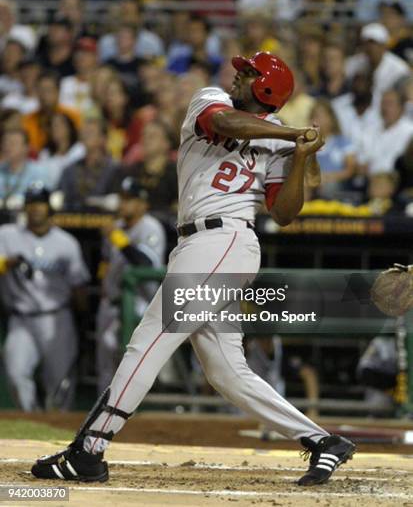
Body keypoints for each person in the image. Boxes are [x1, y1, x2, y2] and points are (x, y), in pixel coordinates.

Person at [31, 51, 355, 486]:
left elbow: (284, 212)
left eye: (250, 73)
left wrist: (298, 154)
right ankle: (322, 441)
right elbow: (226, 125)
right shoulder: (210, 99)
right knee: (226, 371)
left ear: (265, 89)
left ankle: (89, 450)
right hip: (205, 245)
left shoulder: (280, 138)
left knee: (148, 342)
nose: (238, 74)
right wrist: (295, 132)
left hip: (223, 242)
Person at [0, 183, 90, 410]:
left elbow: (78, 285)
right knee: (16, 373)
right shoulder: (7, 235)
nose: (36, 208)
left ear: (49, 208)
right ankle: (32, 420)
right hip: (21, 318)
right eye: (31, 203)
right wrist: (5, 263)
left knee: (60, 384)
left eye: (40, 203)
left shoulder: (66, 242)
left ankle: (60, 432)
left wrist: (82, 320)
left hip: (57, 317)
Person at [96, 176, 166, 394]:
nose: (124, 204)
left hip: (139, 304)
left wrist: (117, 238)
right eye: (123, 198)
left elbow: (146, 265)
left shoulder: (150, 227)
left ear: (143, 204)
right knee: (105, 366)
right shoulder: (116, 227)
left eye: (131, 199)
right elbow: (107, 261)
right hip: (110, 303)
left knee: (133, 368)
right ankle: (101, 417)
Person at [345, 22, 410, 112]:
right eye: (366, 43)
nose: (369, 48)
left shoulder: (399, 68)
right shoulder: (353, 63)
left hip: (388, 111)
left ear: (384, 46)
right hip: (361, 109)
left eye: (374, 43)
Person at [58, 118, 119, 210]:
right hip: (72, 219)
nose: (86, 136)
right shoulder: (69, 170)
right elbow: (59, 198)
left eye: (90, 132)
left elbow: (116, 201)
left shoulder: (114, 169)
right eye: (84, 133)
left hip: (105, 220)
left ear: (103, 139)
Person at [23, 71, 80, 153]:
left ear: (58, 91)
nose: (44, 95)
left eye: (48, 90)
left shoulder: (72, 116)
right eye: (41, 90)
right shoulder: (28, 120)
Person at [310, 99, 356, 199]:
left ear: (331, 119)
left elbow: (350, 170)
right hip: (311, 185)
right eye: (314, 116)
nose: (316, 120)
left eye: (320, 116)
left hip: (335, 185)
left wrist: (327, 177)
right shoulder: (306, 145)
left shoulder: (343, 142)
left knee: (330, 186)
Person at [0, 128, 50, 201]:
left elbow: (42, 201)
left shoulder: (38, 172)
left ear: (26, 148)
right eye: (5, 143)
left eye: (12, 143)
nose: (7, 147)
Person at [59, 36, 100, 119]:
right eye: (78, 53)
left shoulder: (100, 84)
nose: (81, 56)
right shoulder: (64, 83)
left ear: (96, 57)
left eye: (86, 52)